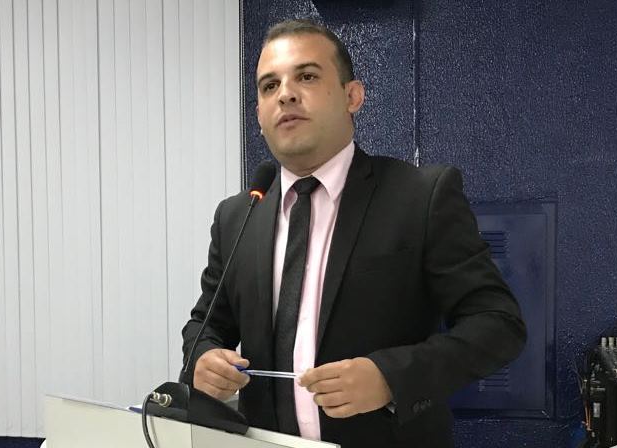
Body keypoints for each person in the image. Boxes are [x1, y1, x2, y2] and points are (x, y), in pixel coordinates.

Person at [180, 19, 527, 447]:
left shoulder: (420, 197)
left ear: (352, 96)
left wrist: (389, 377)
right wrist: (202, 358)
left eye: (307, 77)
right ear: (259, 116)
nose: (285, 94)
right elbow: (205, 325)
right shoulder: (238, 216)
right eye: (270, 86)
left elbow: (498, 324)